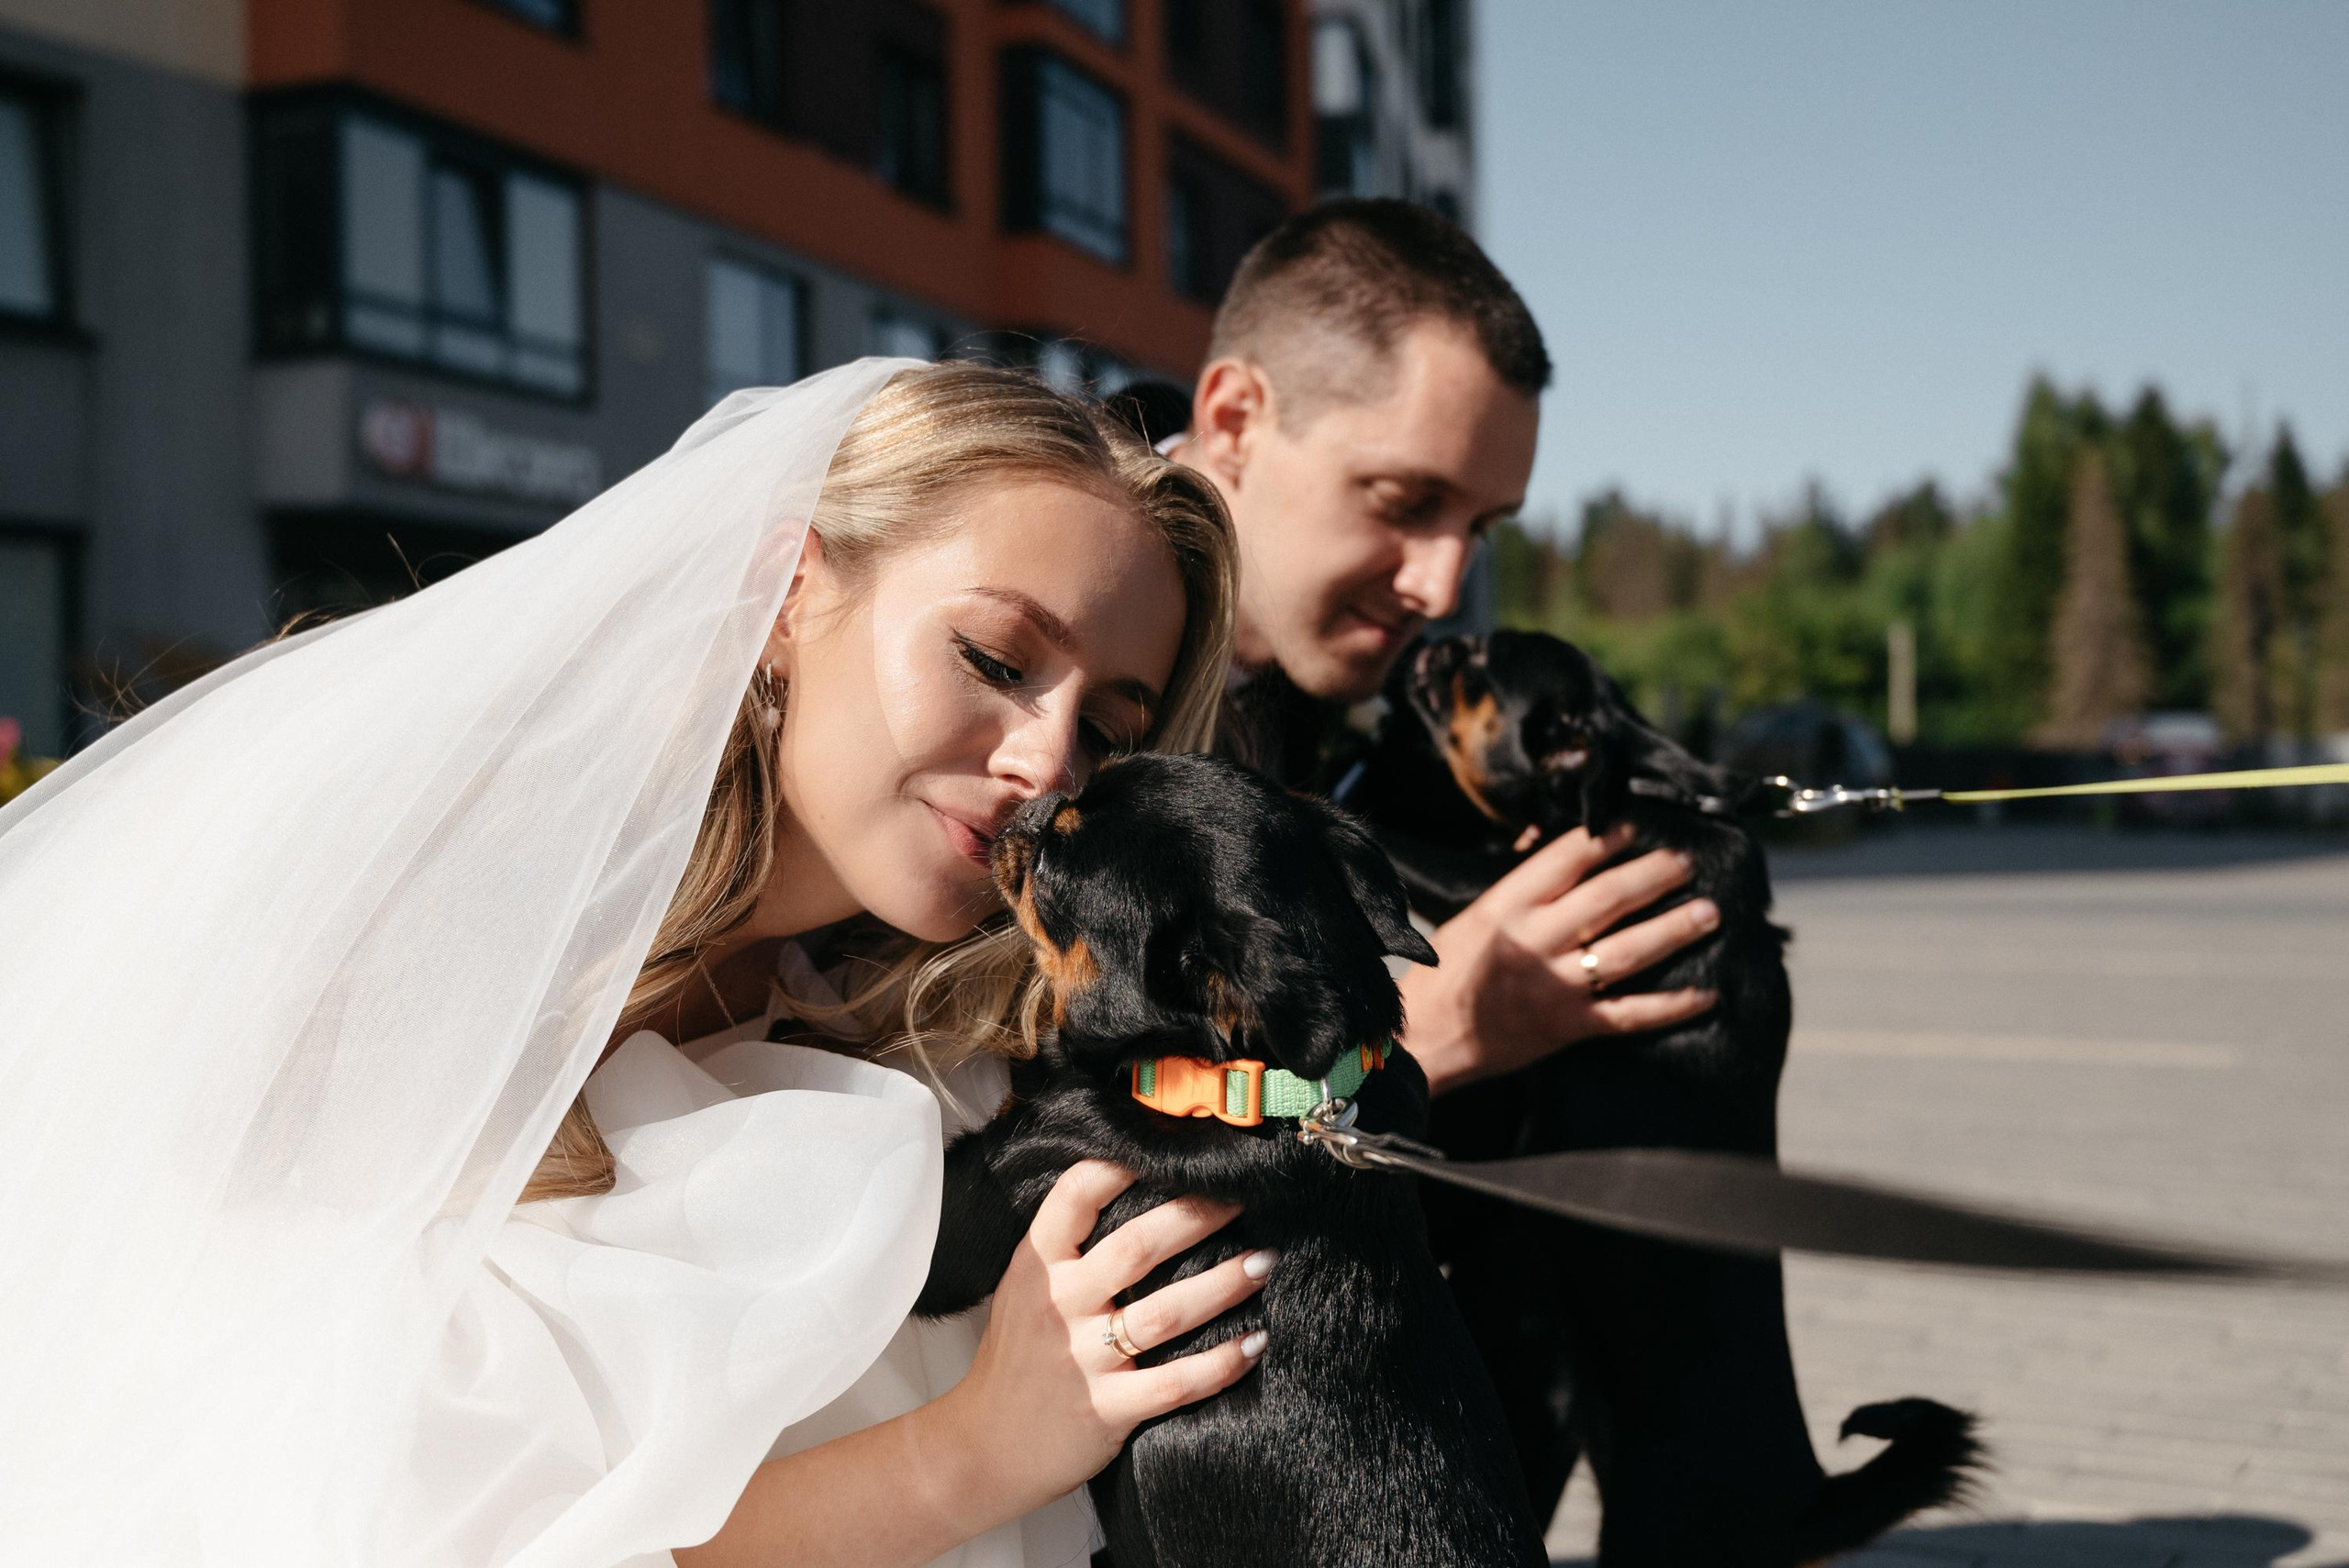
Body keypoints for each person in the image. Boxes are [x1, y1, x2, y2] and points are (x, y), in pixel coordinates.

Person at [0, 361, 1255, 1567]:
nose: (1046, 765)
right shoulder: (415, 938)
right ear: (787, 596)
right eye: (993, 659)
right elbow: (424, 1519)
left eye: (1103, 729)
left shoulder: (911, 1049)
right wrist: (982, 1447)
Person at [1157, 199, 1723, 1095]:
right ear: (1233, 421)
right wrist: (1413, 1044)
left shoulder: (1314, 681)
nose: (1442, 589)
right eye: (1404, 500)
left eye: (1482, 526)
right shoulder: (1038, 654)